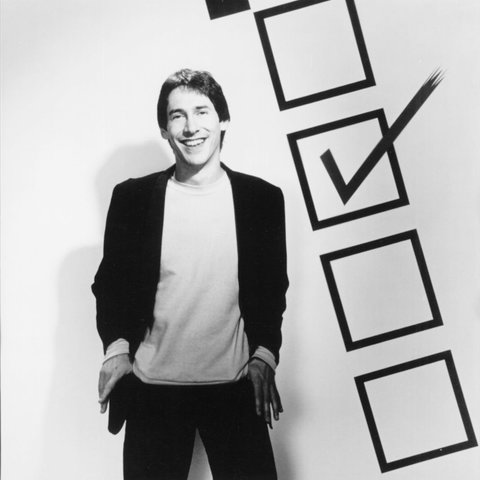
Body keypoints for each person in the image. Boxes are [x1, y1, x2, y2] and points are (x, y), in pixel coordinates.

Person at [92, 68, 288, 480]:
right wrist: (116, 349)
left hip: (235, 388)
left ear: (223, 120)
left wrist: (264, 356)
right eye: (177, 115)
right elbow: (110, 284)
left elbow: (272, 290)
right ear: (165, 130)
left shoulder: (261, 200)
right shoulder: (132, 199)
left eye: (201, 111)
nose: (190, 126)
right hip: (153, 391)